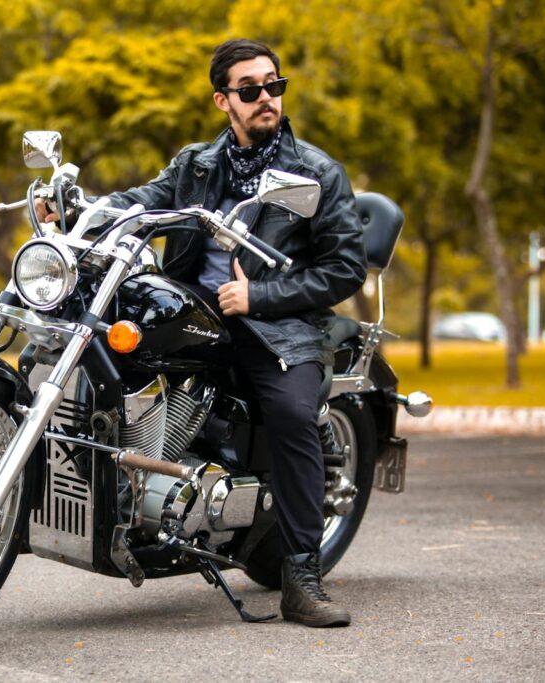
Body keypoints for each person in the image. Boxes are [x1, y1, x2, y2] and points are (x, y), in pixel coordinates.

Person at [37, 39, 367, 627]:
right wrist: (78, 211)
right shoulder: (197, 164)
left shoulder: (315, 172)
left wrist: (259, 295)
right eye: (250, 89)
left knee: (292, 416)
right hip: (196, 312)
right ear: (223, 100)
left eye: (274, 85)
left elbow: (344, 268)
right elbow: (145, 201)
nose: (266, 98)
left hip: (278, 328)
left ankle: (301, 575)